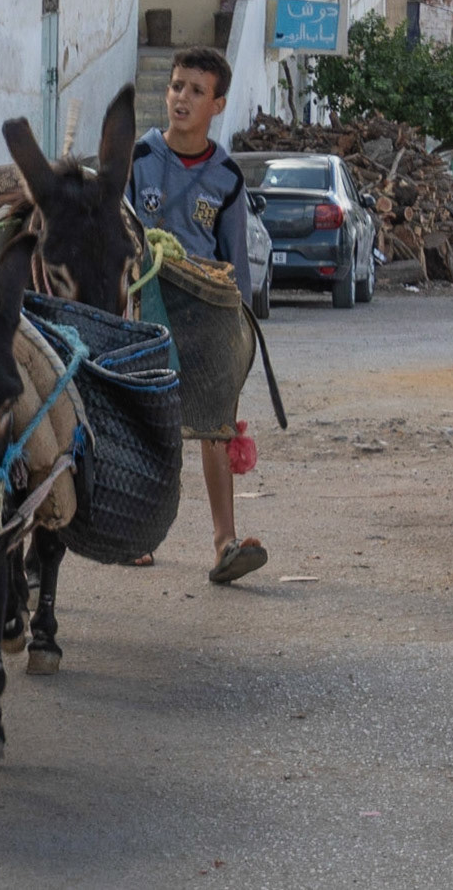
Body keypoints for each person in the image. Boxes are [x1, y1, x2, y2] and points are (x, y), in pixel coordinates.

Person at [128, 46, 265, 584]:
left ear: (218, 104)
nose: (182, 97)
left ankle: (224, 542)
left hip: (204, 311)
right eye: (177, 86)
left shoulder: (227, 175)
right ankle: (139, 534)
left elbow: (234, 265)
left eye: (196, 91)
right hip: (145, 306)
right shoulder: (139, 158)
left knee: (214, 424)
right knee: (145, 422)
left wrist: (239, 330)